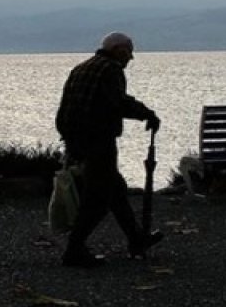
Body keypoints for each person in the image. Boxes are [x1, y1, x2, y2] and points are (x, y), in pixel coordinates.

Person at [55, 32, 163, 268]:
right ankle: (74, 250)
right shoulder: (110, 70)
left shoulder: (81, 68)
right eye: (129, 51)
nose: (131, 58)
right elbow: (119, 102)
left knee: (116, 191)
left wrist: (70, 141)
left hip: (77, 141)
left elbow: (64, 109)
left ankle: (136, 239)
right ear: (117, 49)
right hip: (98, 141)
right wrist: (147, 114)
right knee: (99, 199)